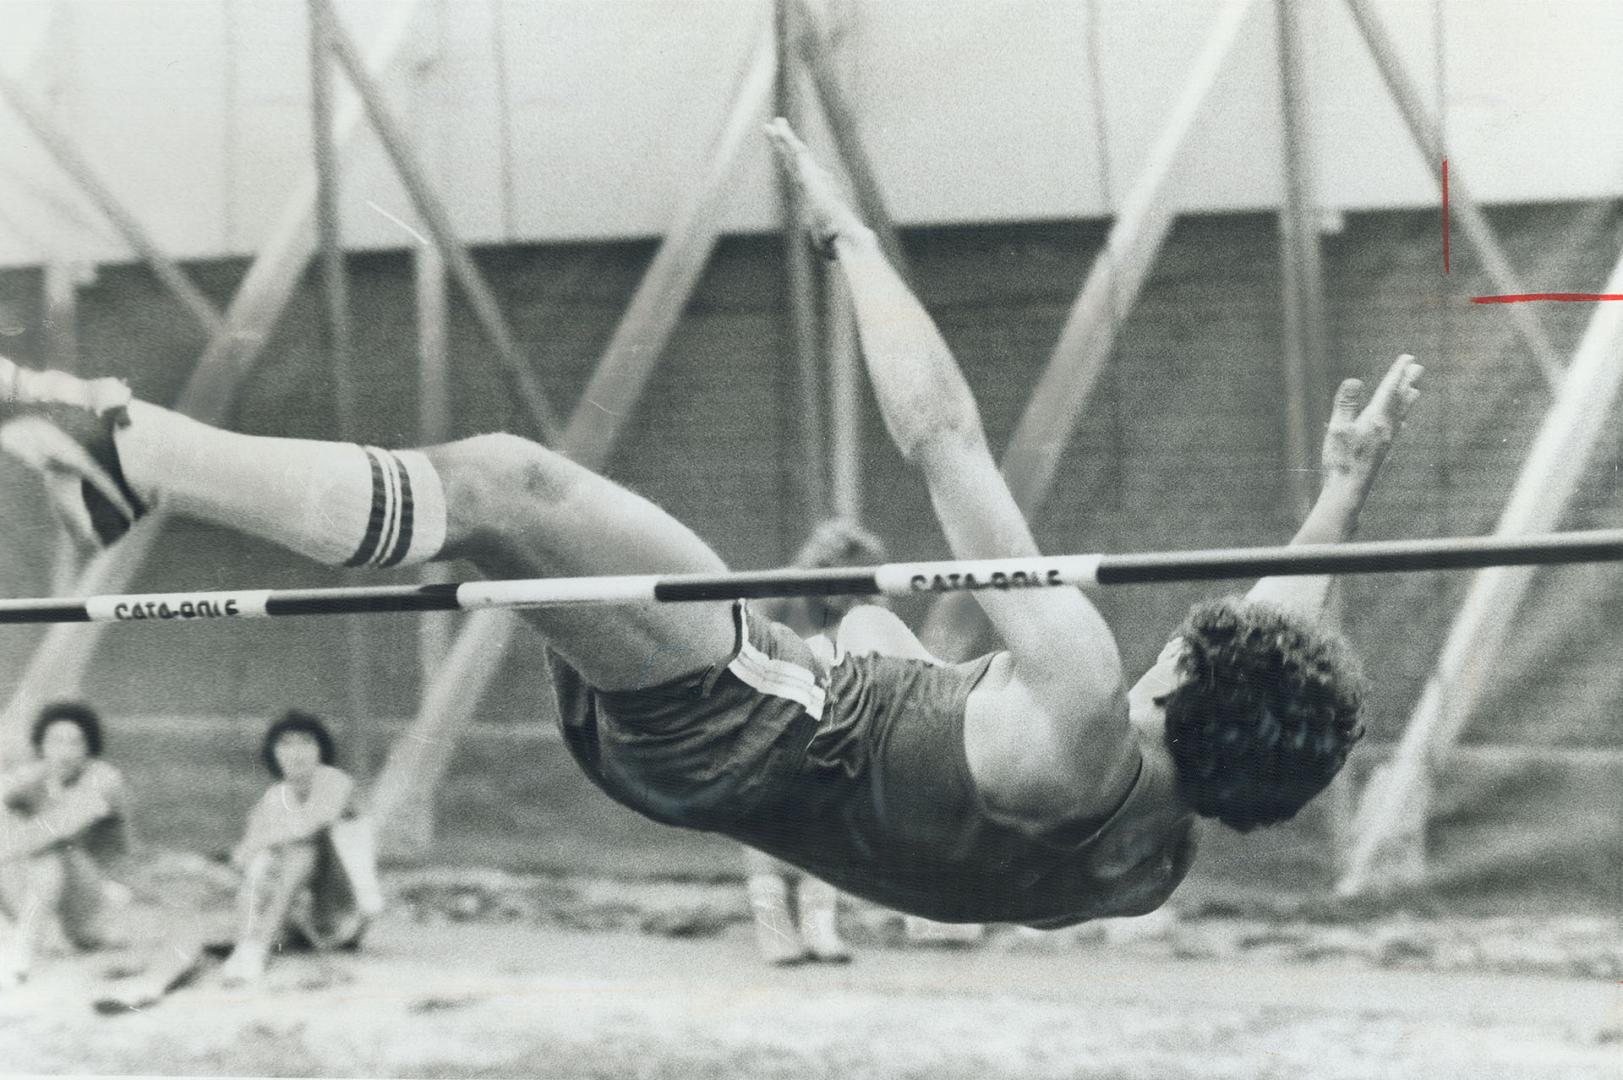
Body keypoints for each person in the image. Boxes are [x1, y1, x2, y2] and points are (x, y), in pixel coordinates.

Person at [0, 119, 1422, 928]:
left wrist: (847, 242)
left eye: (1188, 644)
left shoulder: (1080, 697)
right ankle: (132, 472)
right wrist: (1337, 491)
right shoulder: (1149, 863)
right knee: (532, 542)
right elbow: (1263, 681)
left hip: (747, 712)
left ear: (1174, 679)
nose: (1181, 636)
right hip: (707, 764)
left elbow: (942, 442)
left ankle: (129, 451)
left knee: (505, 485)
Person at [742, 518, 884, 965]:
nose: (853, 593)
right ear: (822, 568)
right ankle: (771, 929)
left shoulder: (862, 606)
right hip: (765, 716)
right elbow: (740, 652)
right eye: (846, 580)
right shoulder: (779, 593)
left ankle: (820, 926)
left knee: (829, 818)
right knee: (762, 823)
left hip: (830, 721)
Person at [218, 710, 380, 985]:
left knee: (302, 849)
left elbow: (308, 827)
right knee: (262, 862)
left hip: (342, 911)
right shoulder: (274, 796)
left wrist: (261, 841)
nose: (296, 753)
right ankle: (247, 945)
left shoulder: (335, 782)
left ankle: (258, 946)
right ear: (274, 753)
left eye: (306, 742)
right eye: (285, 744)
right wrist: (256, 849)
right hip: (297, 920)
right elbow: (242, 856)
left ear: (321, 749)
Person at [0, 702, 134, 987]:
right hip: (48, 896)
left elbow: (58, 828)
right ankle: (20, 941)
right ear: (42, 746)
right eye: (56, 741)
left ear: (89, 747)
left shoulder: (104, 778)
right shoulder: (38, 774)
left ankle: (22, 951)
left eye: (75, 742)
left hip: (96, 897)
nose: (65, 751)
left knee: (50, 851)